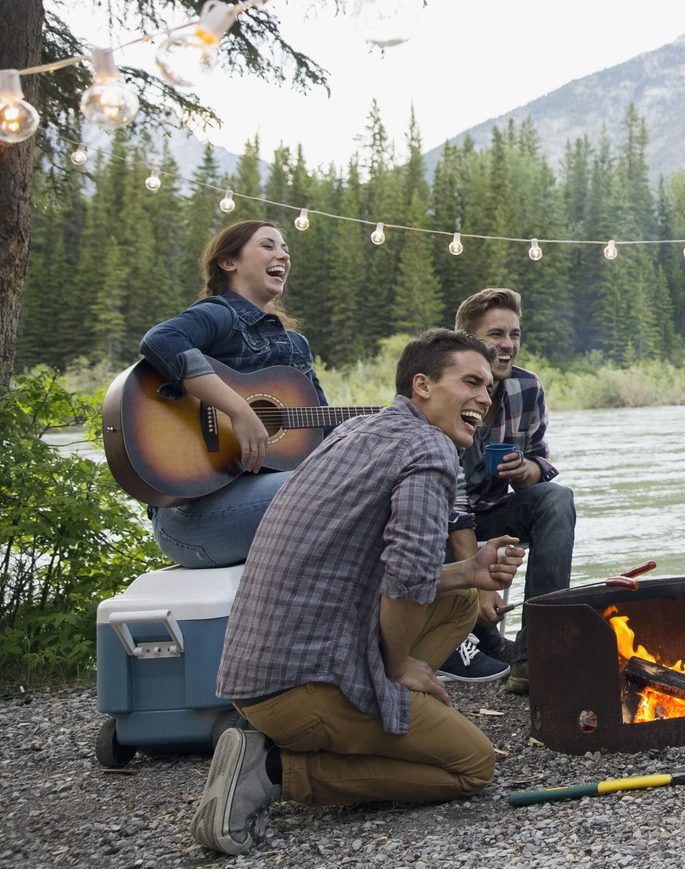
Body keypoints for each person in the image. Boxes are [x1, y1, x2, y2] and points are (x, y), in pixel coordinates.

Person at [193, 329, 526, 856]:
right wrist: (398, 667)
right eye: (470, 382)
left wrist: (469, 571)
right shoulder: (429, 450)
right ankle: (278, 769)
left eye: (488, 388)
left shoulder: (357, 432)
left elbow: (370, 570)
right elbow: (406, 579)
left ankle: (353, 719)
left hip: (255, 671)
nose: (485, 399)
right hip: (298, 689)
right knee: (472, 766)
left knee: (461, 598)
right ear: (422, 384)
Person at [137, 220, 321, 568]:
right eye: (268, 245)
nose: (282, 254)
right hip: (192, 512)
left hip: (273, 497)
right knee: (320, 484)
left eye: (286, 250)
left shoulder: (296, 346)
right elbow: (161, 340)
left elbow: (325, 435)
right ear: (229, 262)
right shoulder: (219, 315)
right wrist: (239, 410)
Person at [443, 288, 577, 693]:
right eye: (495, 335)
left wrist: (525, 470)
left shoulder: (527, 388)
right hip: (435, 519)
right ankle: (466, 643)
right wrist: (476, 581)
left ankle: (538, 654)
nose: (507, 345)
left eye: (514, 335)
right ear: (468, 340)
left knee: (557, 499)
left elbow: (541, 461)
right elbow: (453, 502)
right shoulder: (448, 393)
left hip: (497, 507)